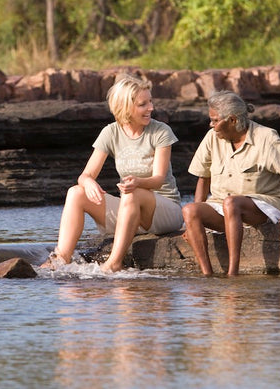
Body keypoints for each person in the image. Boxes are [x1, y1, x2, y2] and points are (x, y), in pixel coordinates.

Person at [44, 74, 183, 272]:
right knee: (76, 192)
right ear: (126, 107)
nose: (151, 108)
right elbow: (85, 175)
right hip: (131, 209)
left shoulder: (161, 131)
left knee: (132, 192)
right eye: (143, 104)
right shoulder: (110, 132)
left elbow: (159, 180)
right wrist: (89, 182)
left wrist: (137, 182)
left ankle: (114, 263)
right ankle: (60, 259)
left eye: (150, 101)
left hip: (164, 211)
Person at [182, 90, 280, 276]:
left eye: (215, 120)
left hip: (264, 204)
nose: (211, 125)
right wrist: (192, 224)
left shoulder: (266, 138)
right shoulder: (212, 137)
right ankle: (207, 275)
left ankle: (232, 274)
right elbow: (203, 177)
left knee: (232, 203)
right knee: (189, 210)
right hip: (223, 206)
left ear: (232, 120)